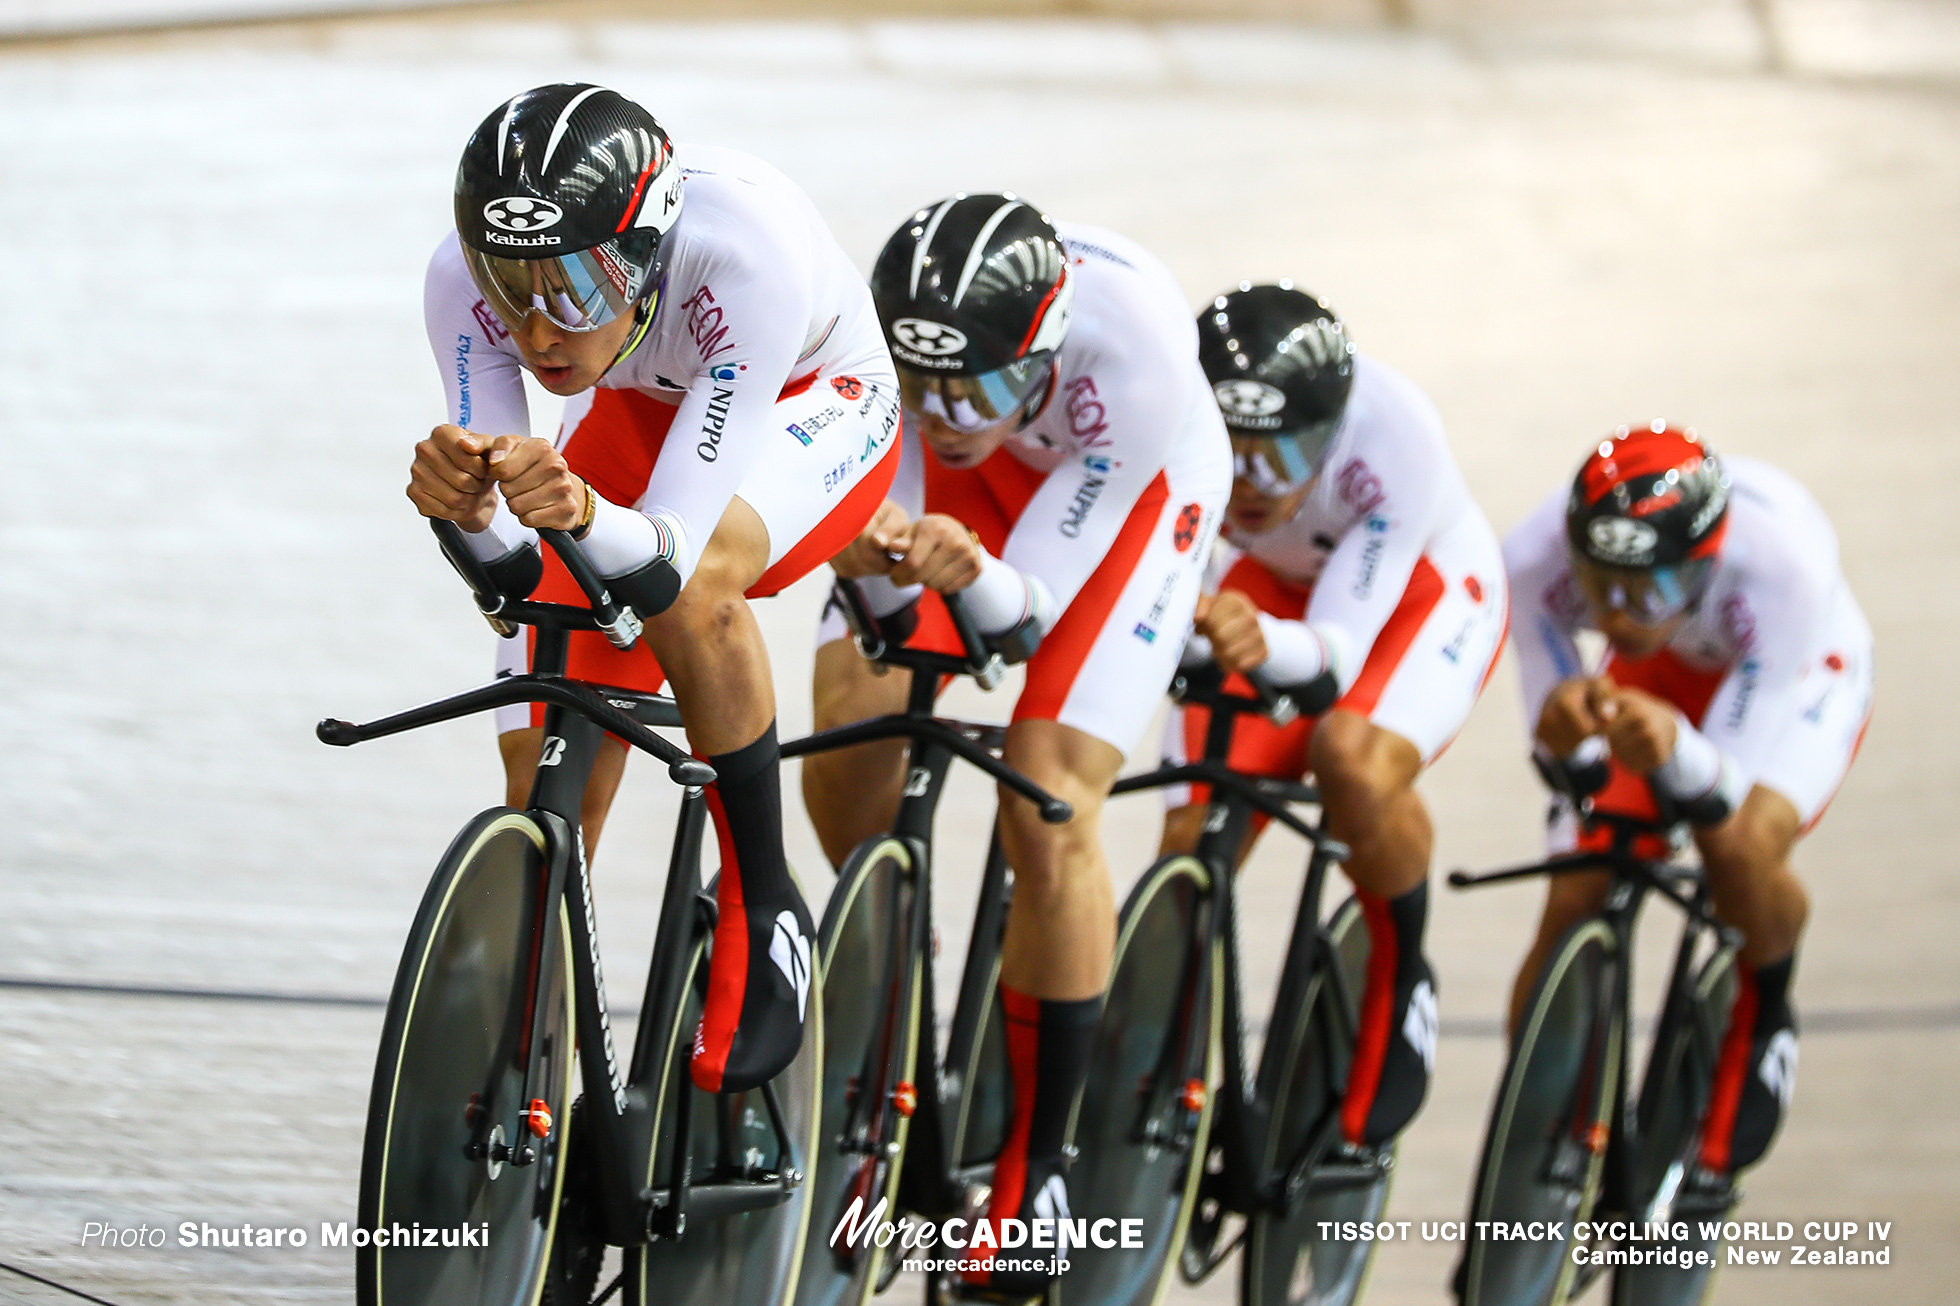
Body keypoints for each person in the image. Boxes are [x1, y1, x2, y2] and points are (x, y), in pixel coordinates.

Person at [406, 83, 901, 1095]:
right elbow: (512, 577)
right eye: (512, 286)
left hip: (813, 398)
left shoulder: (740, 255)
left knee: (695, 588)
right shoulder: (455, 280)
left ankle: (765, 907)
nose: (540, 331)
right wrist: (462, 511)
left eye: (578, 287)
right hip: (639, 407)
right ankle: (527, 1085)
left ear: (647, 253)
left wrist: (581, 517)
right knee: (547, 765)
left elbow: (669, 552)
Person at [800, 194, 1231, 1293]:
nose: (951, 412)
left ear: (1042, 353)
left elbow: (1024, 617)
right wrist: (872, 558)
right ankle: (897, 1064)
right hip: (968, 497)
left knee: (1047, 800)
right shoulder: (892, 356)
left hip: (1125, 497)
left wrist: (972, 575)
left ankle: (1036, 1168)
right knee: (850, 734)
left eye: (982, 387)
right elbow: (883, 478)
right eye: (926, 384)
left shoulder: (1134, 352)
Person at [1158, 282, 1509, 1149]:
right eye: (1231, 455)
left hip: (1411, 598)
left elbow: (1332, 662)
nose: (1252, 487)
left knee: (1349, 758)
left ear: (1332, 432)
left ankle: (1400, 974)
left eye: (1281, 459)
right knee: (1191, 847)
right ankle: (1155, 1058)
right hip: (1267, 594)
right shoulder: (1163, 411)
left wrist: (1239, 636)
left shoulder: (1396, 436)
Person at [1504, 421, 1872, 1177]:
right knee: (1577, 882)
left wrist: (1673, 750)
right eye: (1599, 587)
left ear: (1703, 566)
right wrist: (1568, 734)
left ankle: (1763, 1008)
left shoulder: (1782, 575)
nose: (1618, 615)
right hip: (1665, 673)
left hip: (1797, 676)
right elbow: (1557, 756)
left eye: (1652, 590)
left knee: (1737, 847)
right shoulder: (1531, 557)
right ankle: (1538, 1127)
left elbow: (1723, 788)